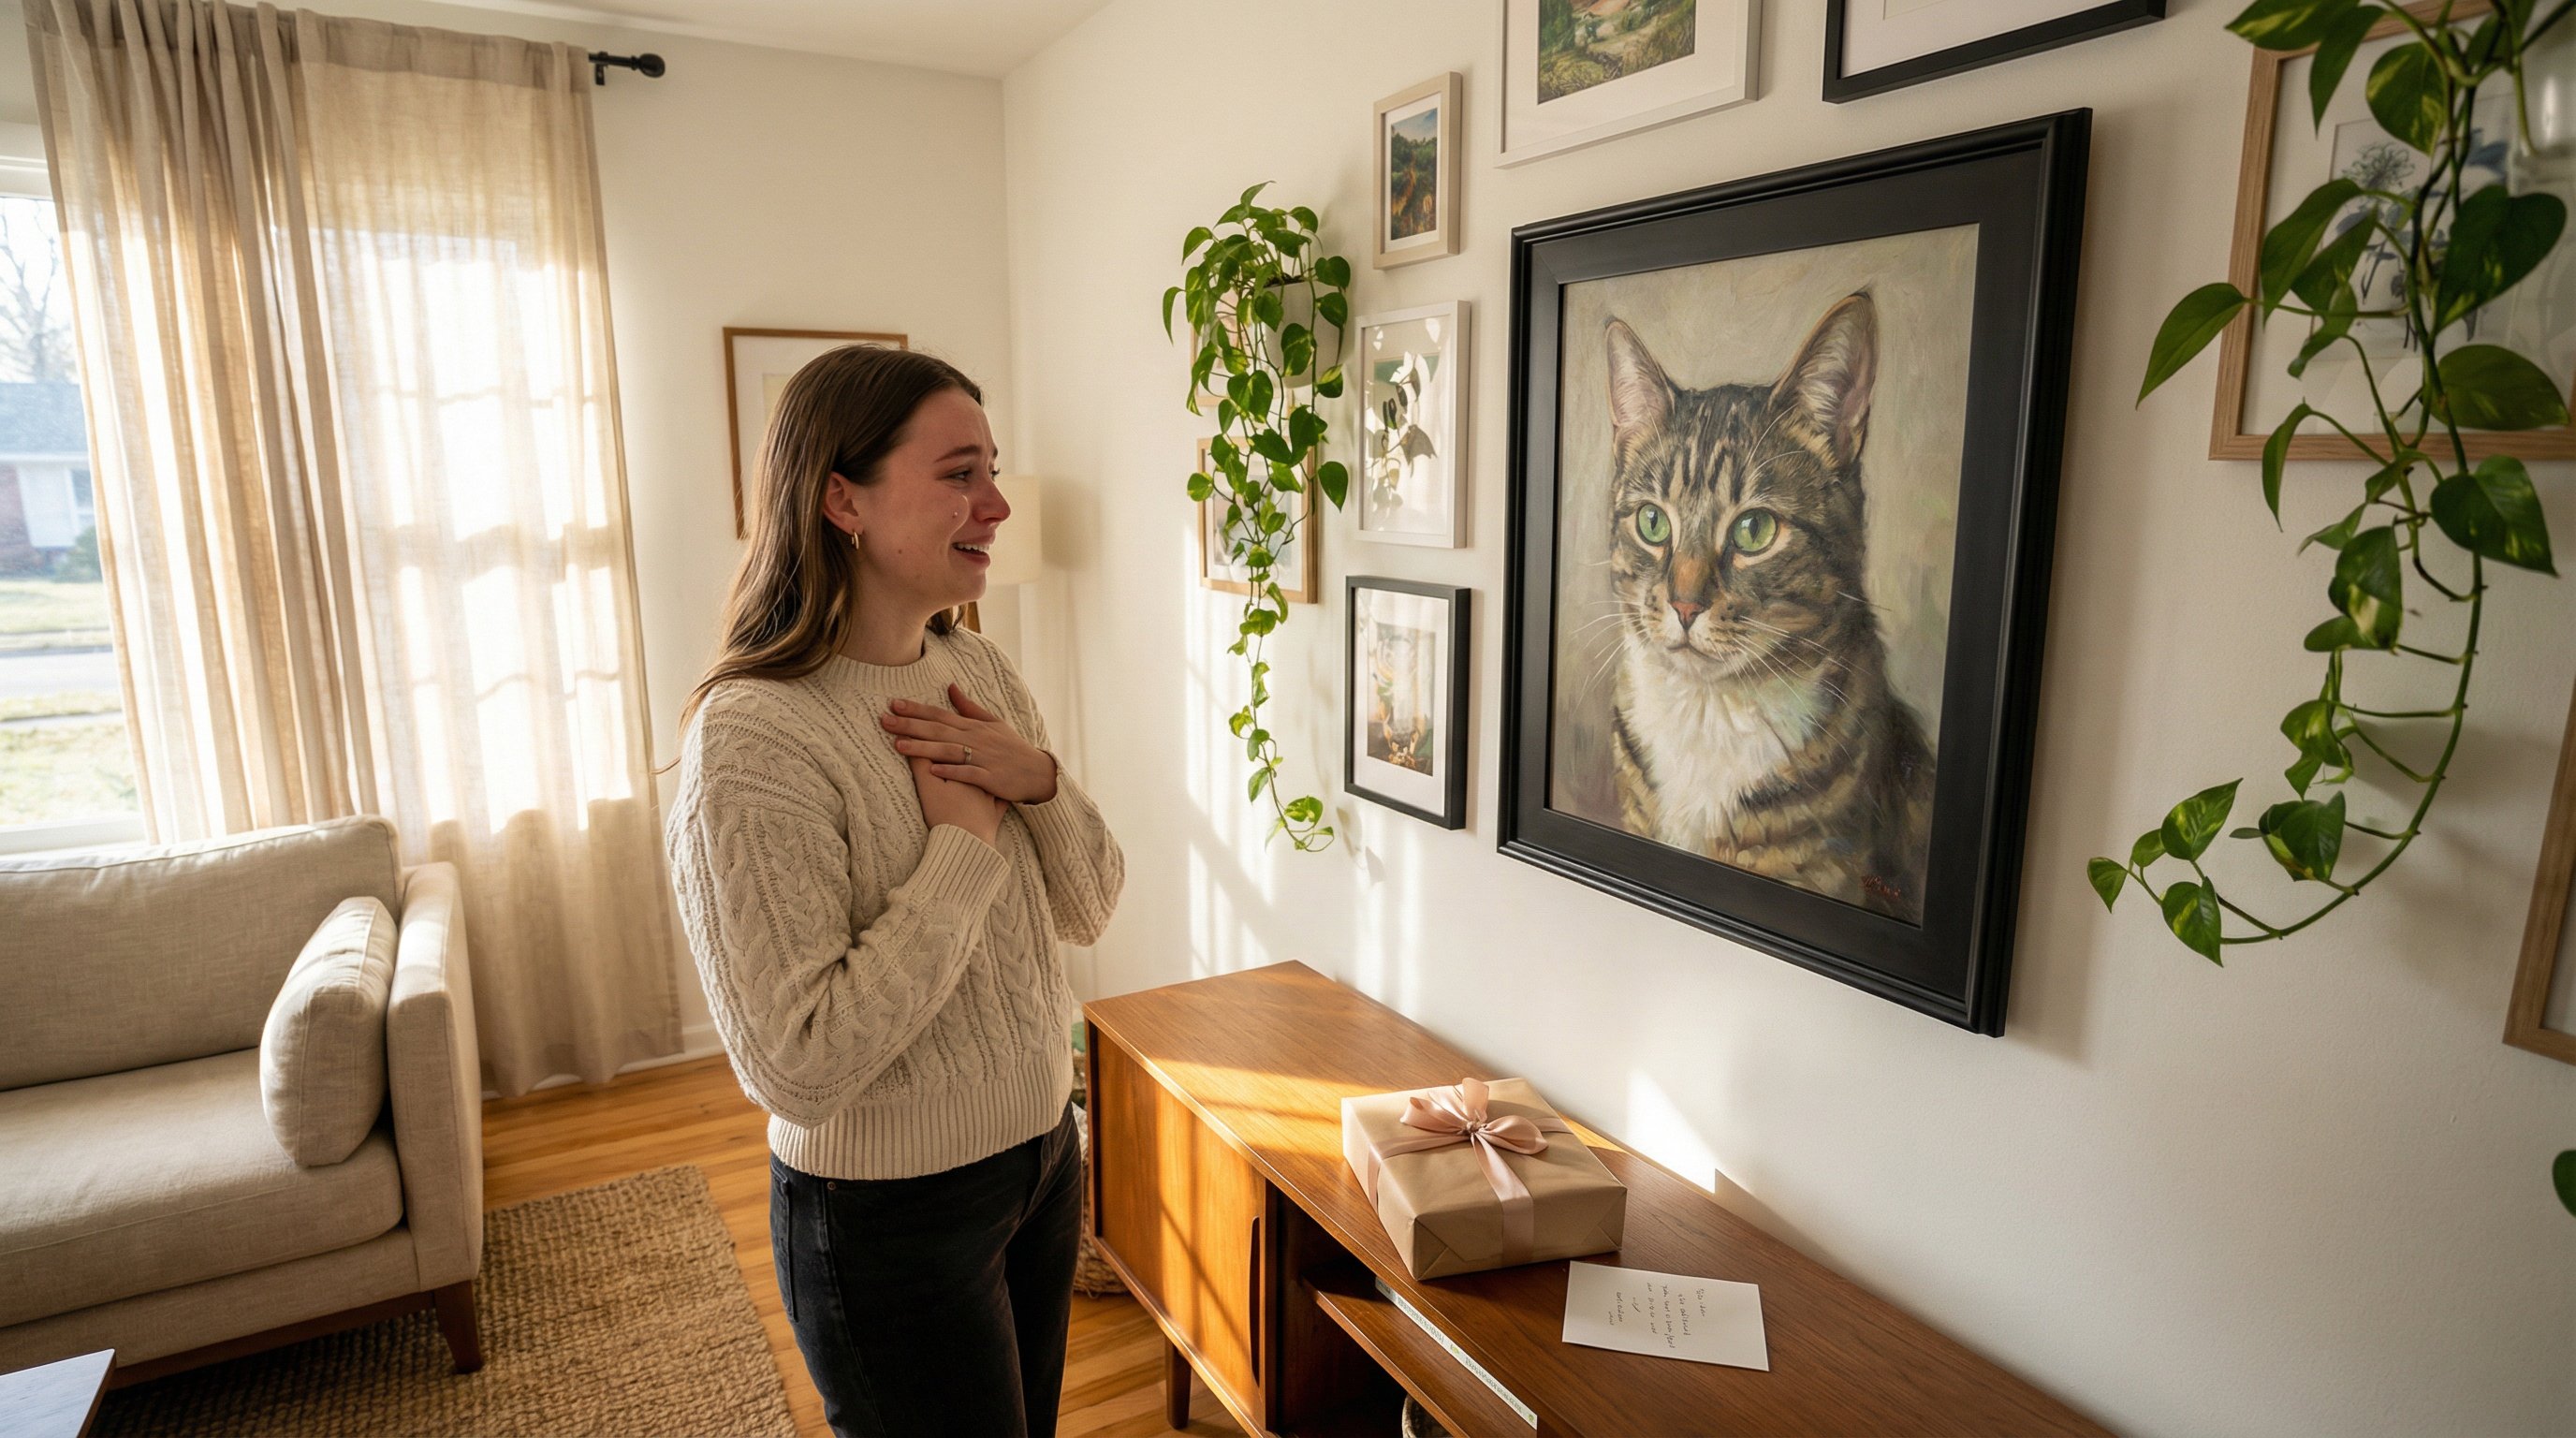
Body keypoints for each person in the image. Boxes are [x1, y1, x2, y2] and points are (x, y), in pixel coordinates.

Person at [665, 345, 1122, 1438]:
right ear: (841, 499)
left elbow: (1088, 907)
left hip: (1043, 1162)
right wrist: (964, 844)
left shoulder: (981, 670)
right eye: (960, 472)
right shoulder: (753, 739)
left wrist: (1041, 784)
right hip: (885, 1219)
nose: (998, 502)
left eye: (993, 468)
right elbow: (797, 1065)